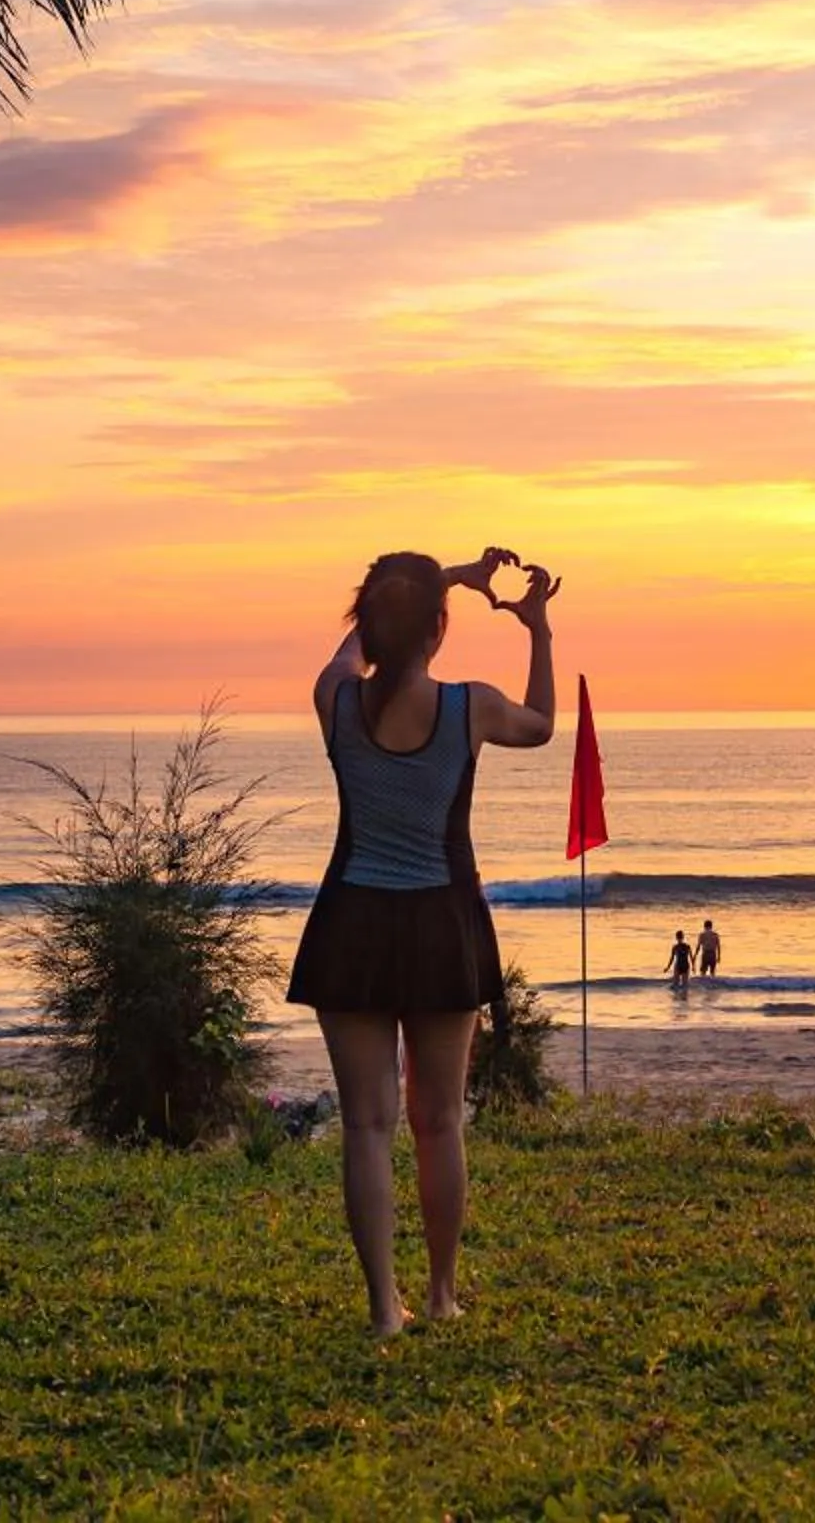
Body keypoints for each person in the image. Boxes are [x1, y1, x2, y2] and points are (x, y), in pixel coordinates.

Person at [287, 544, 560, 1337]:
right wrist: (537, 629)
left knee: (367, 1125)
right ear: (440, 630)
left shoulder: (333, 700)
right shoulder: (469, 707)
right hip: (441, 923)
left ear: (368, 625)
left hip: (351, 927)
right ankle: (440, 1294)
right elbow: (542, 726)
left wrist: (438, 584)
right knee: (438, 1121)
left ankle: (384, 1310)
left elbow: (355, 648)